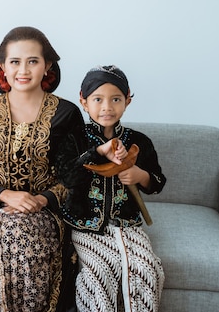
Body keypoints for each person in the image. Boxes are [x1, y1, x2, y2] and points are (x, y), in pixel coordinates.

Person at [0, 26, 86, 312]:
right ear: (2, 67)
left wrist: (40, 200)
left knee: (23, 238)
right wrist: (6, 195)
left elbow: (77, 175)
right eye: (15, 62)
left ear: (47, 67)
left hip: (46, 210)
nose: (23, 70)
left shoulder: (67, 114)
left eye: (33, 61)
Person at [60, 65, 166, 312]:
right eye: (98, 99)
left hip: (127, 223)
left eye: (115, 99)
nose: (107, 107)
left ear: (127, 100)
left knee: (146, 267)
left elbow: (157, 183)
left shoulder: (139, 141)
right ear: (83, 101)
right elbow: (67, 177)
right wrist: (97, 153)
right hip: (85, 224)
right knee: (101, 270)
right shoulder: (74, 138)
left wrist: (140, 175)